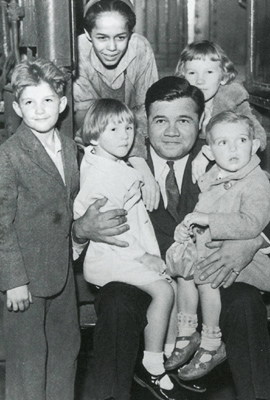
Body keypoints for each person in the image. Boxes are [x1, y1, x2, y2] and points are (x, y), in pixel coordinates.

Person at [72, 76, 270, 400]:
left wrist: (255, 242)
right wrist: (81, 230)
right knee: (117, 301)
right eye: (160, 121)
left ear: (200, 123)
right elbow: (69, 217)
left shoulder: (223, 155)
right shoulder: (113, 159)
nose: (171, 131)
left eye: (183, 120)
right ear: (145, 124)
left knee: (244, 301)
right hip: (144, 279)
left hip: (208, 279)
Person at [73, 99, 177, 395]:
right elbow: (114, 230)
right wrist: (144, 256)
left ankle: (169, 352)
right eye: (114, 129)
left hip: (119, 253)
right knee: (163, 290)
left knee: (171, 286)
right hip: (113, 256)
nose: (124, 135)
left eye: (128, 127)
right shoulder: (101, 177)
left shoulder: (109, 162)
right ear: (94, 136)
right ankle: (154, 361)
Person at [164, 111, 270, 381]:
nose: (233, 148)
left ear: (254, 145)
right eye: (223, 143)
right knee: (184, 273)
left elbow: (251, 223)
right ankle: (188, 332)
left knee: (203, 274)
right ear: (210, 151)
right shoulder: (215, 175)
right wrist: (187, 229)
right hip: (212, 251)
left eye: (241, 140)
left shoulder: (256, 181)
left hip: (245, 263)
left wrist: (207, 220)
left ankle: (212, 342)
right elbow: (201, 214)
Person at [0, 59, 81, 400]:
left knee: (66, 351)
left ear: (62, 104)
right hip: (26, 278)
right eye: (29, 102)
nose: (39, 109)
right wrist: (13, 280)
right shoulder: (9, 154)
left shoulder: (70, 147)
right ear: (17, 107)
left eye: (47, 100)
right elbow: (1, 224)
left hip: (61, 272)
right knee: (28, 362)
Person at [73, 0, 159, 210]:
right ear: (87, 33)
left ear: (130, 34)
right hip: (94, 143)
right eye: (101, 38)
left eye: (121, 37)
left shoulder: (140, 48)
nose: (111, 48)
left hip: (136, 136)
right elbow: (86, 120)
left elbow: (148, 110)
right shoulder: (78, 49)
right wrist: (139, 164)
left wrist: (140, 161)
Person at [175, 40, 267, 181]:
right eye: (192, 73)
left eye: (209, 72)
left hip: (231, 165)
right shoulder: (177, 100)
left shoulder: (233, 101)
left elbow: (259, 136)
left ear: (223, 77)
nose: (200, 81)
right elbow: (141, 124)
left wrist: (211, 151)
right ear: (183, 76)